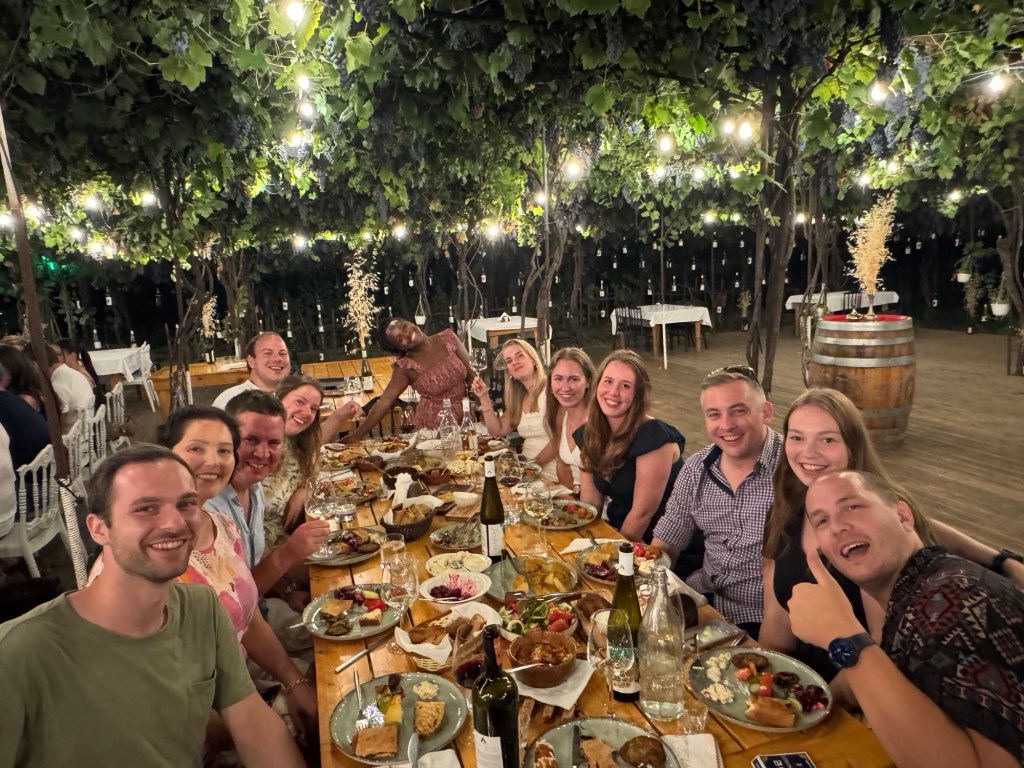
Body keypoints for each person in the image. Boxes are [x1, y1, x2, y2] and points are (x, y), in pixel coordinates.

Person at [0, 445, 304, 767]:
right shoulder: (20, 653)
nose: (175, 522)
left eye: (186, 504)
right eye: (146, 508)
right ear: (99, 529)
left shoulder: (201, 608)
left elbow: (253, 724)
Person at [760, 387, 1024, 679]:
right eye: (797, 437)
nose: (809, 452)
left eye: (828, 439)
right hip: (802, 682)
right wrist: (762, 681)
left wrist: (1002, 562)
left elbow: (881, 649)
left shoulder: (876, 533)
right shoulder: (784, 512)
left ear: (852, 445)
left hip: (862, 690)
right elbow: (776, 617)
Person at [789, 470, 1024, 768]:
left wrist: (844, 638)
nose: (837, 527)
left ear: (903, 516)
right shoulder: (919, 591)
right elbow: (885, 677)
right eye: (821, 521)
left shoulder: (957, 599)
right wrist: (807, 708)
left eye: (852, 506)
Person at [652, 365, 778, 636]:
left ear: (766, 412)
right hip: (703, 601)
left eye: (738, 411)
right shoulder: (696, 468)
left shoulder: (794, 468)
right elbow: (666, 543)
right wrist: (652, 593)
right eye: (714, 414)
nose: (727, 425)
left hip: (764, 617)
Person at [209, 391, 329, 599]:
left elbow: (258, 555)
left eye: (273, 443)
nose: (262, 453)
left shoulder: (255, 489)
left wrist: (289, 592)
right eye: (251, 440)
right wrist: (288, 553)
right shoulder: (210, 510)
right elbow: (234, 602)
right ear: (226, 439)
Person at [576, 350, 684, 543]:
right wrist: (582, 541)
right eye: (608, 381)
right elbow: (590, 502)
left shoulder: (654, 437)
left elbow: (642, 515)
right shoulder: (590, 432)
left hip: (659, 543)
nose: (613, 392)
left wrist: (608, 555)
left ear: (638, 394)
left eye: (625, 385)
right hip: (617, 530)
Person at [263, 374, 359, 549]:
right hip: (260, 551)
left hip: (287, 540)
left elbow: (312, 452)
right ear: (278, 398)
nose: (307, 412)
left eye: (313, 408)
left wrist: (303, 489)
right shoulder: (257, 447)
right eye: (300, 402)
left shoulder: (296, 443)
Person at [346, 317, 474, 440]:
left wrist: (484, 409)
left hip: (466, 414)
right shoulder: (405, 367)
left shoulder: (449, 338)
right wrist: (356, 436)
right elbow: (384, 402)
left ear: (410, 322)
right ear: (399, 348)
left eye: (403, 326)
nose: (406, 334)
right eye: (399, 339)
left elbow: (473, 377)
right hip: (434, 425)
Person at [472, 338, 550, 462]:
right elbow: (497, 431)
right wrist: (484, 397)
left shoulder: (552, 389)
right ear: (509, 371)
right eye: (509, 360)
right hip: (527, 464)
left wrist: (531, 467)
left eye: (520, 356)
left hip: (553, 466)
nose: (515, 362)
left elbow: (562, 438)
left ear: (533, 359)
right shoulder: (519, 398)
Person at [535, 347, 595, 489]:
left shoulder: (597, 420)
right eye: (558, 379)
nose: (565, 387)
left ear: (588, 382)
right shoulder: (561, 416)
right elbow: (563, 467)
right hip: (576, 497)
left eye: (574, 379)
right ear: (550, 384)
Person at [212, 332, 292, 410]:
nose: (277, 359)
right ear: (251, 361)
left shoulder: (295, 399)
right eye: (268, 353)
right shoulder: (228, 400)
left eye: (283, 354)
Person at [30, 342, 94, 422]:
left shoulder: (58, 382)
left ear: (36, 363)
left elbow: (62, 415)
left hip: (73, 427)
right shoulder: (72, 373)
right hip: (86, 424)